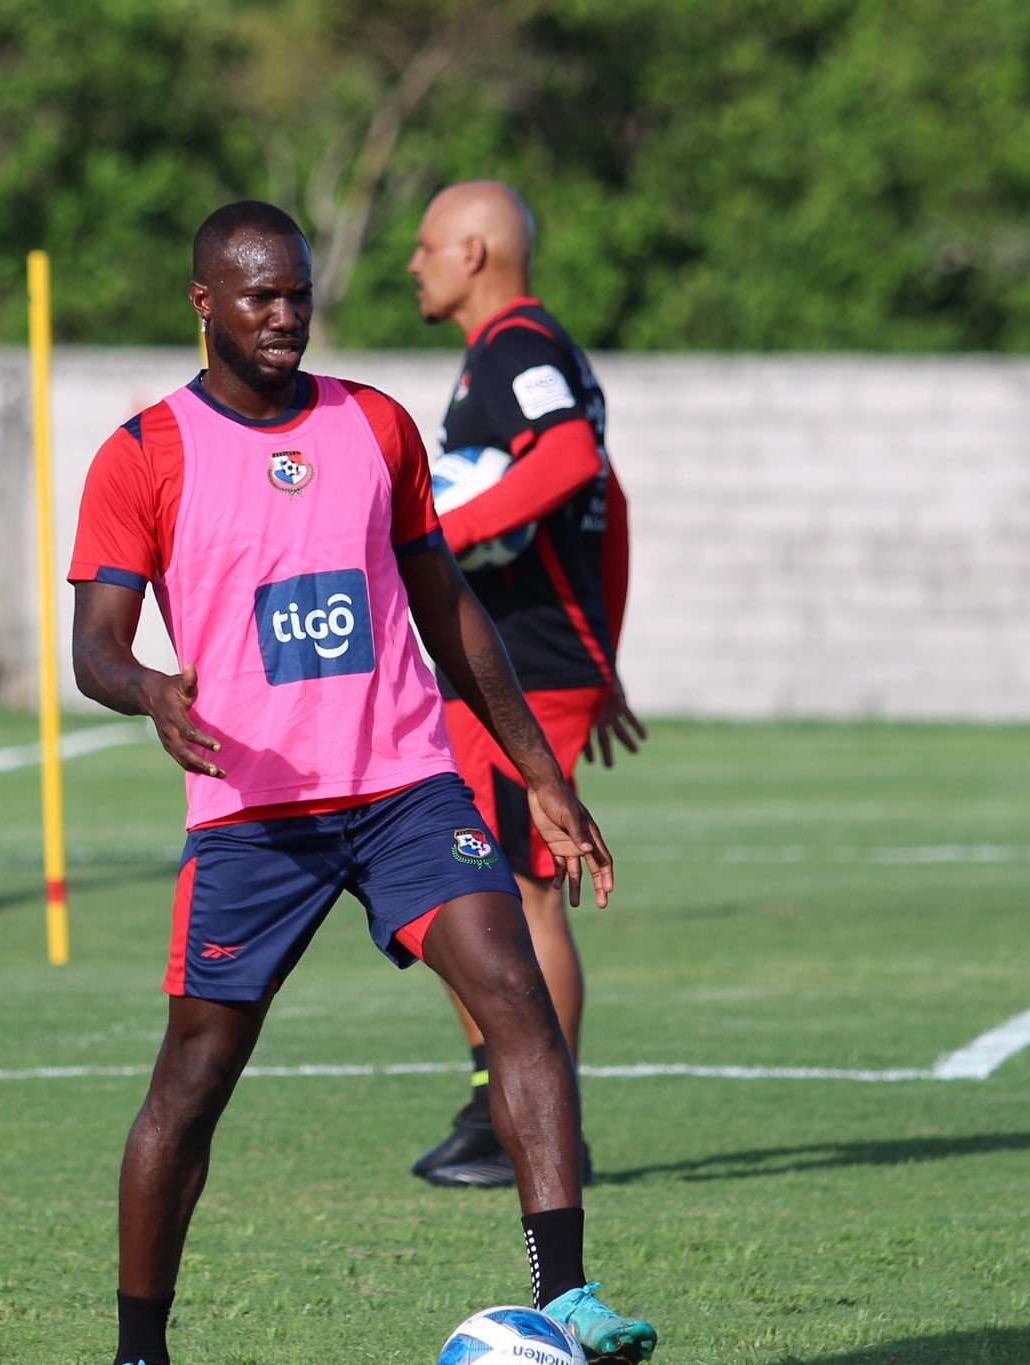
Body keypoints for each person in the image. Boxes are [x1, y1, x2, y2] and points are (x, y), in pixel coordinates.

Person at [68, 200, 658, 1365]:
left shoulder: (374, 427)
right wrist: (149, 692)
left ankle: (570, 1295)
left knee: (515, 998)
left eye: (297, 294)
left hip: (400, 787)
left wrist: (539, 776)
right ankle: (139, 1351)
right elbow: (94, 645)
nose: (285, 316)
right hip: (251, 813)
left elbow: (449, 610)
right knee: (188, 1090)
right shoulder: (143, 453)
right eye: (259, 297)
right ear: (203, 304)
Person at [405, 181, 648, 1189]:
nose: (411, 264)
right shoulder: (506, 356)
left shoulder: (517, 349)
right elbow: (610, 498)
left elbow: (572, 462)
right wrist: (610, 655)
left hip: (527, 667)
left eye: (424, 246)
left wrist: (435, 541)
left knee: (518, 899)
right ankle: (490, 1104)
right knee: (465, 886)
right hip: (518, 665)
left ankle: (548, 1125)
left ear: (472, 251)